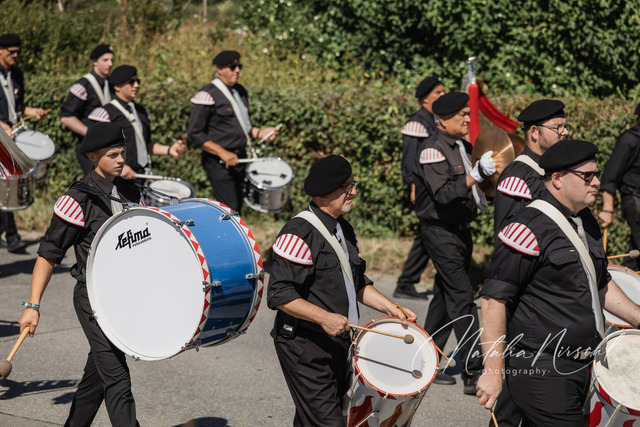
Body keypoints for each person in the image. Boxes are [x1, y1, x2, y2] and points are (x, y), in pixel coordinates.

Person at [477, 139, 640, 425]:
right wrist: (492, 371)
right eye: (587, 176)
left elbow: (600, 283)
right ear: (557, 179)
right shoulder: (525, 228)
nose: (596, 182)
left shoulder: (586, 221)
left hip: (582, 364)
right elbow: (493, 300)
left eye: (597, 174)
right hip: (541, 368)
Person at [267, 154, 417, 426]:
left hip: (337, 343)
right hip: (304, 346)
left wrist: (392, 310)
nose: (353, 192)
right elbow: (280, 295)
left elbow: (356, 282)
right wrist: (324, 318)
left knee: (312, 418)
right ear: (323, 194)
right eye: (346, 187)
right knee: (329, 421)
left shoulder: (344, 229)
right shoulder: (297, 234)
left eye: (352, 184)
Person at [18, 122, 143, 426]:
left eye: (122, 153)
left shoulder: (131, 191)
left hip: (126, 296)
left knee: (98, 374)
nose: (121, 160)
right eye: (112, 155)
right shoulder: (77, 200)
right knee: (117, 378)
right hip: (94, 299)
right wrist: (33, 306)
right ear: (91, 156)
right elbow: (48, 255)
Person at [413, 92, 496, 394]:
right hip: (440, 232)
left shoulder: (463, 146)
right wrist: (475, 175)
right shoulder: (431, 150)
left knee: (444, 296)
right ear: (443, 119)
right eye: (462, 115)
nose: (467, 119)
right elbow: (444, 194)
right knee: (462, 297)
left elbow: (477, 188)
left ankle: (425, 359)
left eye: (467, 113)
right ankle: (474, 372)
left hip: (461, 230)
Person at [187, 50, 279, 213]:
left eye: (239, 67)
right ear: (219, 69)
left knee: (237, 206)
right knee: (230, 209)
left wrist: (261, 133)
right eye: (232, 67)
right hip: (218, 162)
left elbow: (244, 128)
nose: (237, 70)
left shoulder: (240, 91)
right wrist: (222, 153)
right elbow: (195, 134)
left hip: (239, 159)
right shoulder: (207, 94)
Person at [394, 75, 444, 300]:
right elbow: (409, 161)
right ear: (425, 98)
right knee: (429, 233)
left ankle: (407, 282)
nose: (442, 95)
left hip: (435, 186)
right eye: (438, 93)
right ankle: (406, 282)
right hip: (424, 188)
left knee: (428, 234)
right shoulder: (416, 123)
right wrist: (413, 187)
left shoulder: (434, 120)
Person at [88, 65, 186, 180]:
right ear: (117, 86)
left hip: (141, 176)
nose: (136, 85)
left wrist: (169, 150)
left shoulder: (141, 111)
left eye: (137, 81)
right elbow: (94, 150)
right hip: (116, 178)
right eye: (131, 82)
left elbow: (145, 145)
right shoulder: (105, 114)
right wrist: (118, 166)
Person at [0, 33, 48, 253]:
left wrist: (32, 111)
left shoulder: (17, 74)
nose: (16, 55)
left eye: (18, 52)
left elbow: (18, 107)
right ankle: (11, 236)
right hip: (2, 135)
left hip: (10, 138)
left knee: (7, 184)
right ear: (0, 50)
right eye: (12, 52)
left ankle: (9, 234)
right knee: (6, 185)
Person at [493, 99, 569, 234]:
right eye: (558, 127)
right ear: (534, 131)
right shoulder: (516, 176)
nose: (565, 132)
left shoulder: (558, 168)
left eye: (565, 127)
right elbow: (509, 236)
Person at [61, 43, 115, 175]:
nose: (110, 64)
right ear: (94, 61)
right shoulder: (83, 85)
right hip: (89, 147)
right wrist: (90, 133)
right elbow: (67, 117)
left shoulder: (111, 84)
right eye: (105, 60)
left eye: (112, 60)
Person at [599, 103, 640, 269]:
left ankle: (628, 278)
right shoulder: (630, 140)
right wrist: (607, 209)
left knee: (635, 254)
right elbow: (610, 176)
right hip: (634, 200)